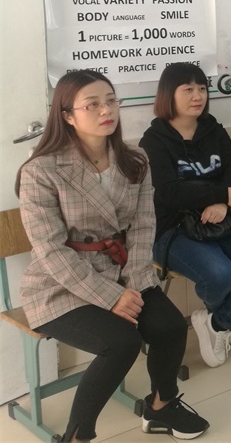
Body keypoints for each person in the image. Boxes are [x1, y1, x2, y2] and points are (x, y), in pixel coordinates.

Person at [16, 71, 208, 442]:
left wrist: (132, 283)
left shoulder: (135, 159)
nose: (106, 111)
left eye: (110, 101)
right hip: (60, 283)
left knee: (169, 326)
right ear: (68, 116)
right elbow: (50, 250)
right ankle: (77, 436)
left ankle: (161, 407)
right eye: (92, 105)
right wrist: (111, 297)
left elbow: (144, 225)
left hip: (124, 269)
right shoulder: (41, 171)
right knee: (121, 343)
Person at [140, 63, 231, 369]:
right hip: (175, 229)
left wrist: (223, 204)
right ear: (169, 94)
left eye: (202, 88)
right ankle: (226, 316)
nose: (198, 96)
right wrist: (221, 195)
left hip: (224, 220)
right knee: (219, 274)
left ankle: (218, 321)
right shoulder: (153, 141)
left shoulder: (212, 128)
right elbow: (170, 192)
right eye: (188, 89)